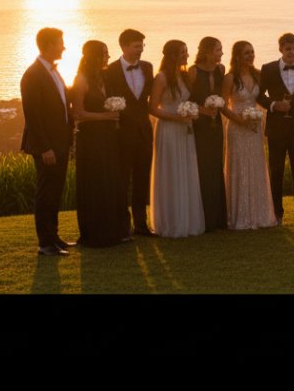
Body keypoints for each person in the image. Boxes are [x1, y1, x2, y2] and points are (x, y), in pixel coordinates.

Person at [20, 27, 75, 256]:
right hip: (47, 146)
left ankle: (54, 237)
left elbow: (63, 102)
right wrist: (45, 148)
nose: (64, 47)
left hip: (60, 142)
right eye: (61, 42)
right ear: (49, 45)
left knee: (56, 191)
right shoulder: (32, 75)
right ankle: (45, 243)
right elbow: (33, 116)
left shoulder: (54, 72)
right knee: (46, 193)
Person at [69, 39, 127, 248]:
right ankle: (95, 233)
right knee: (94, 183)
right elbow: (78, 113)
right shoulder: (81, 80)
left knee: (109, 182)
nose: (108, 57)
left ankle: (113, 230)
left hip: (108, 137)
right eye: (104, 53)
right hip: (90, 139)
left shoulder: (103, 77)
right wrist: (107, 116)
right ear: (95, 56)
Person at [149, 40, 205, 238]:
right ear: (173, 55)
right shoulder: (162, 78)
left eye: (187, 52)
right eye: (183, 52)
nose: (187, 56)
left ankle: (187, 219)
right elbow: (153, 107)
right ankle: (171, 222)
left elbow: (188, 101)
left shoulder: (184, 76)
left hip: (185, 129)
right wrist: (176, 118)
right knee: (172, 171)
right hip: (169, 129)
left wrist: (191, 113)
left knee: (186, 169)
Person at [256, 33, 294, 226]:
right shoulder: (268, 69)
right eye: (288, 49)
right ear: (280, 49)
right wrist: (273, 105)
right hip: (276, 128)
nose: (292, 52)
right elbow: (259, 94)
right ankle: (277, 215)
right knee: (276, 172)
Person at [104, 28, 155, 237]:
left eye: (142, 46)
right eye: (136, 46)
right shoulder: (110, 70)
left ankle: (141, 225)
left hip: (143, 132)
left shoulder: (148, 67)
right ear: (124, 47)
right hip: (121, 134)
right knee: (122, 180)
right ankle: (122, 225)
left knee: (142, 180)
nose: (140, 50)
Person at [221, 40, 277, 229]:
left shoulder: (258, 75)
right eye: (246, 53)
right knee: (239, 166)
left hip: (254, 128)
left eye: (252, 52)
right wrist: (238, 120)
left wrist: (260, 113)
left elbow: (261, 99)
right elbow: (222, 104)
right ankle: (239, 215)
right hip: (237, 128)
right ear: (237, 56)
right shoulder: (229, 78)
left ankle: (259, 214)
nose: (251, 55)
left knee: (255, 166)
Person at [189, 36, 227, 232]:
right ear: (207, 51)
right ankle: (205, 218)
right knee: (202, 167)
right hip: (200, 124)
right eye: (218, 50)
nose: (221, 53)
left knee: (216, 165)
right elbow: (184, 100)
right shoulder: (193, 71)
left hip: (216, 124)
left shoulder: (221, 70)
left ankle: (219, 218)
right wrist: (203, 111)